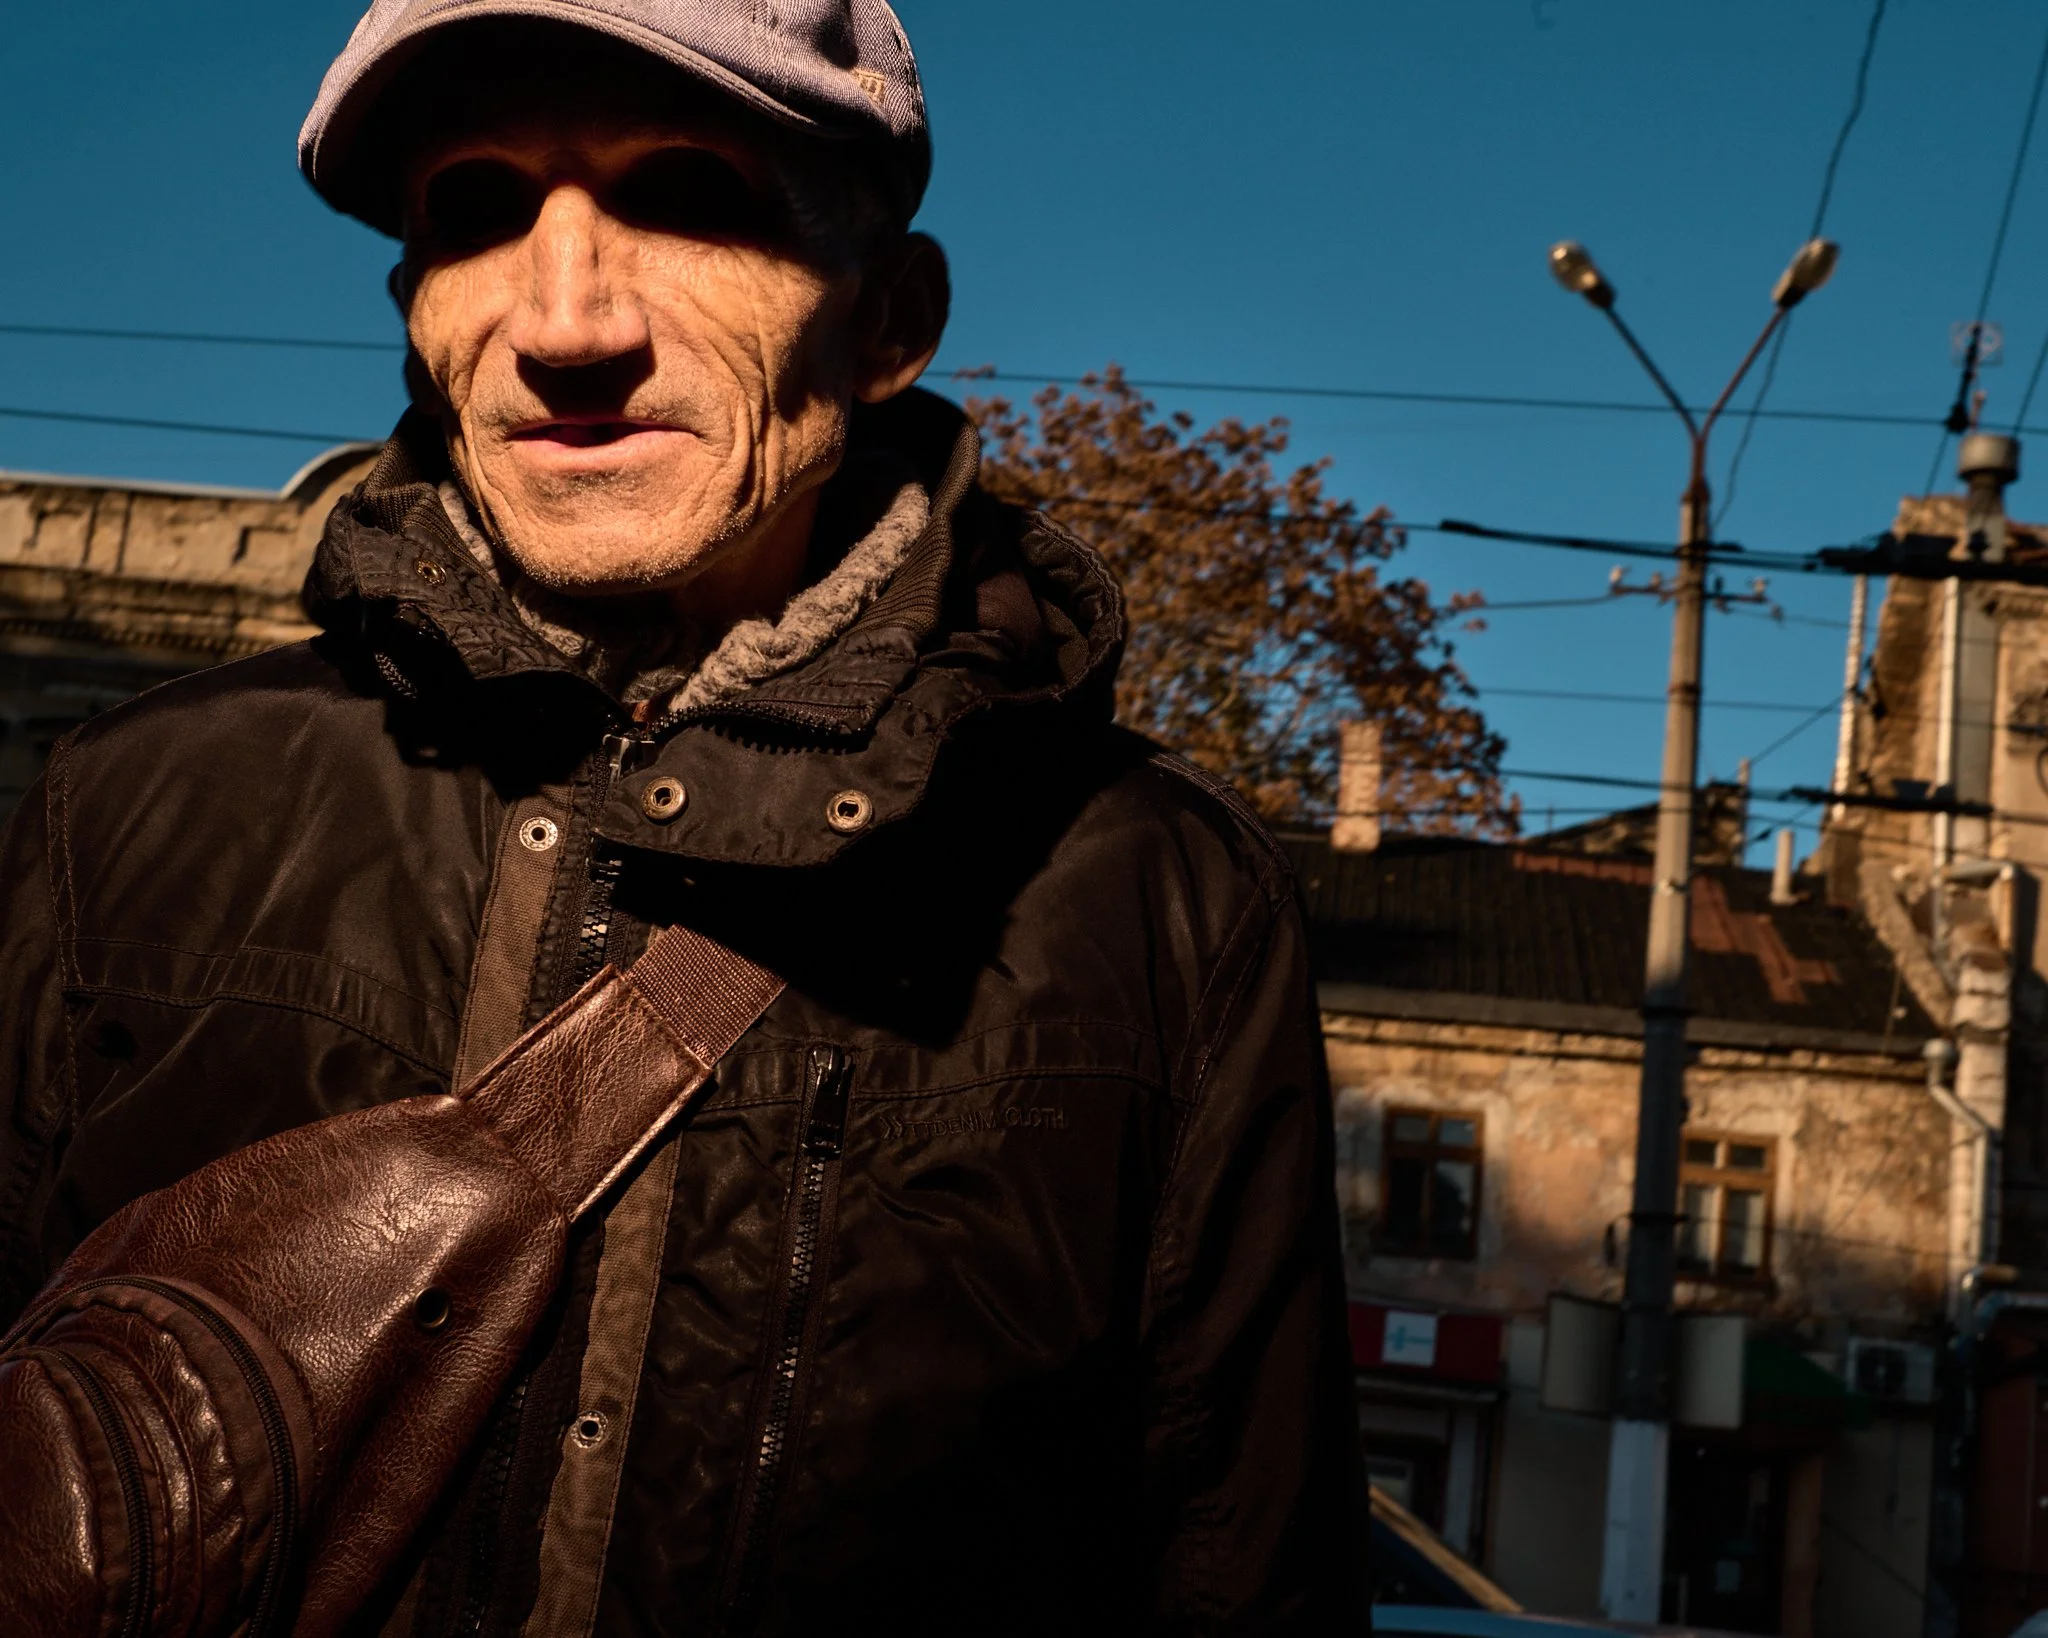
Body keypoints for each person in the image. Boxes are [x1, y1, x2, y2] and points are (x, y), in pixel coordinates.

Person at [0, 3, 1365, 1632]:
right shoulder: (130, 804)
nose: (563, 323)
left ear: (888, 320)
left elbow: (1241, 1568)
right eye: (477, 211)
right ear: (413, 311)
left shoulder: (1156, 897)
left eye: (691, 196)